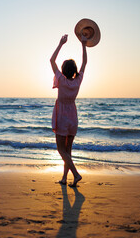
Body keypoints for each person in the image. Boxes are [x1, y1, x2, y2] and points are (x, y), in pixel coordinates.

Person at [50, 34, 87, 187]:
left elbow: (52, 61)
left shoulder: (61, 80)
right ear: (74, 71)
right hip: (73, 116)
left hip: (62, 117)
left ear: (63, 71)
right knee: (68, 151)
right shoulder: (78, 81)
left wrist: (60, 44)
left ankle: (76, 174)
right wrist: (83, 45)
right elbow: (85, 62)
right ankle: (65, 179)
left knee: (61, 150)